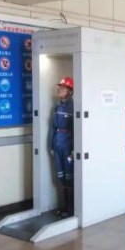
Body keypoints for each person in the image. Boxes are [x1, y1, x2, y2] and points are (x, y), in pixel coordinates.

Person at [50, 77, 74, 217]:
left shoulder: (73, 106)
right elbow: (53, 128)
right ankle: (65, 207)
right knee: (61, 176)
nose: (60, 89)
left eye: (63, 87)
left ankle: (71, 208)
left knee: (70, 176)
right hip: (58, 145)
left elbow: (76, 129)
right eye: (60, 87)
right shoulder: (57, 106)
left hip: (68, 147)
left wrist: (74, 149)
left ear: (69, 91)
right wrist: (52, 146)